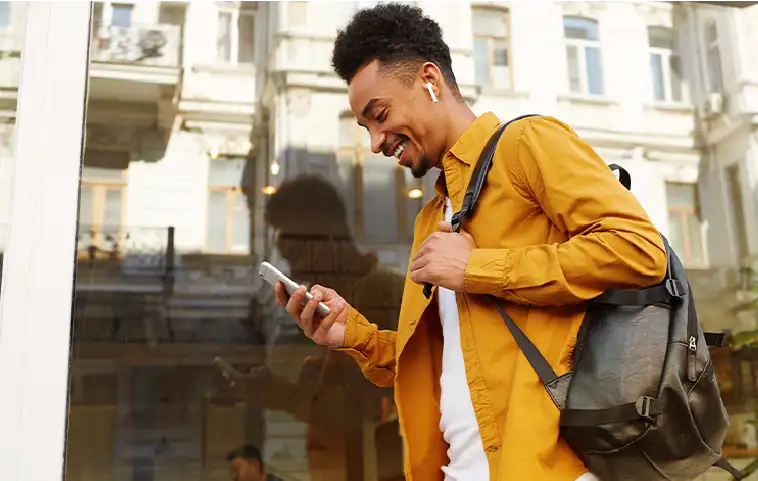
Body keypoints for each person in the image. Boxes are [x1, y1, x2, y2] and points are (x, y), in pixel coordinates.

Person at [276, 4, 667, 481]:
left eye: (379, 116)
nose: (375, 142)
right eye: (365, 128)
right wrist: (352, 336)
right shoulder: (433, 216)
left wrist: (478, 269)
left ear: (429, 80)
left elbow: (640, 251)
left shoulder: (527, 144)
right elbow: (453, 366)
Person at [227, 175, 404, 481]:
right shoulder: (335, 308)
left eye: (295, 254)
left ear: (327, 240)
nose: (295, 271)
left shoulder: (382, 293)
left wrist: (284, 394)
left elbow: (370, 411)